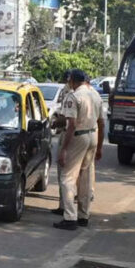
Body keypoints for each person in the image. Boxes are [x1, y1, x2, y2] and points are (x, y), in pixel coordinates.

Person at [54, 69, 104, 230]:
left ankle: (70, 217)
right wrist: (100, 147)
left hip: (79, 135)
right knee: (85, 177)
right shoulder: (95, 95)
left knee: (67, 177)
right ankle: (84, 215)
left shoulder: (74, 96)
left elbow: (71, 125)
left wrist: (64, 150)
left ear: (73, 81)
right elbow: (102, 123)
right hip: (93, 135)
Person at [50, 70, 72, 216]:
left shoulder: (69, 93)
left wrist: (54, 123)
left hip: (69, 133)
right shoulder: (90, 93)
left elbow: (66, 119)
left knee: (64, 174)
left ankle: (65, 208)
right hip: (85, 134)